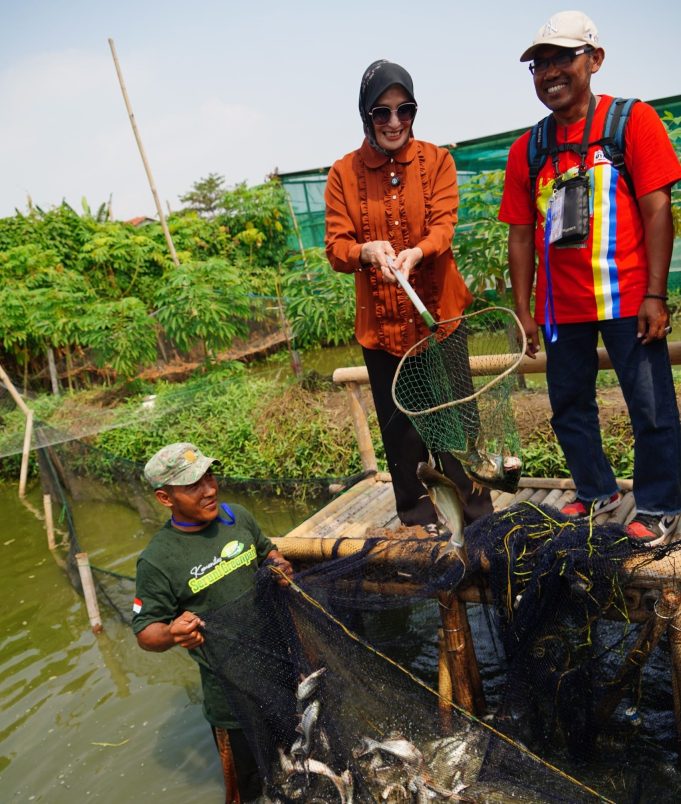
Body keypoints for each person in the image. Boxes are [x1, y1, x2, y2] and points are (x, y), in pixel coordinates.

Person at [499, 11, 681, 547]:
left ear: (594, 60)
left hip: (628, 299)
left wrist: (655, 293)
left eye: (562, 59)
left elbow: (656, 210)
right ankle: (596, 489)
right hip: (563, 310)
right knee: (569, 405)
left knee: (651, 407)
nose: (549, 72)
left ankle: (659, 505)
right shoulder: (528, 149)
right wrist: (525, 311)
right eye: (539, 64)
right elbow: (521, 235)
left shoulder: (632, 123)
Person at [325, 59, 493, 528]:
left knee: (458, 423)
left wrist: (417, 252)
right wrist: (364, 251)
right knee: (402, 433)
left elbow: (445, 226)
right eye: (382, 112)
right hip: (382, 329)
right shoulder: (342, 173)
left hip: (439, 320)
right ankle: (418, 519)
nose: (395, 122)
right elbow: (336, 248)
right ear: (366, 115)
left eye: (405, 110)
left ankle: (477, 518)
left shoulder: (437, 161)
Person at [131, 442, 293, 803]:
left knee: (298, 762)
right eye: (193, 485)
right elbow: (146, 633)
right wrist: (173, 632)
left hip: (281, 670)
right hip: (232, 699)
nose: (210, 489)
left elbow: (268, 552)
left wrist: (279, 566)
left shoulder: (237, 517)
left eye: (209, 476)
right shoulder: (158, 560)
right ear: (164, 498)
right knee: (247, 792)